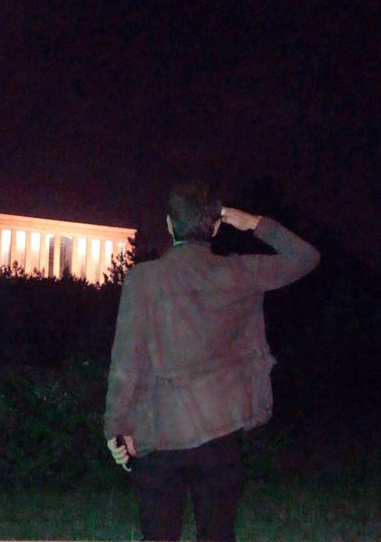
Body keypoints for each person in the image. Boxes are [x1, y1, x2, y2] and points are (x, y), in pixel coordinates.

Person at [104, 181, 320, 542]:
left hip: (159, 433)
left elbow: (125, 361)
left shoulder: (144, 279)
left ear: (169, 224)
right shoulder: (239, 273)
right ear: (217, 227)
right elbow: (305, 257)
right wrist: (253, 223)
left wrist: (116, 425)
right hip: (220, 434)